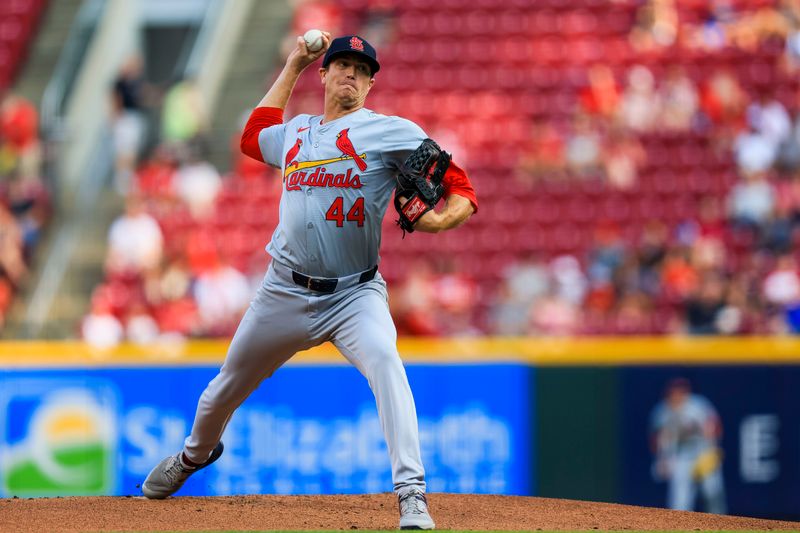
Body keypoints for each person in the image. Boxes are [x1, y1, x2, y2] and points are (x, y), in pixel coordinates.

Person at [141, 32, 478, 530]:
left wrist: (439, 221)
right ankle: (192, 457)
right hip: (283, 289)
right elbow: (252, 136)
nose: (352, 75)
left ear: (369, 84)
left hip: (354, 294)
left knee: (387, 363)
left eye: (363, 70)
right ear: (325, 74)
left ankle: (412, 494)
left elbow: (462, 189)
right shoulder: (296, 133)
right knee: (222, 391)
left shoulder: (389, 132)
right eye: (343, 64)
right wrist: (295, 62)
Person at [649, 378, 727, 514]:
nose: (676, 396)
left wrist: (712, 451)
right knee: (679, 501)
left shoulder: (697, 406)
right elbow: (659, 438)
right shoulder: (662, 412)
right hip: (681, 456)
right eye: (672, 393)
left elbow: (715, 427)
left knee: (712, 492)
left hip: (703, 452)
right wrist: (662, 459)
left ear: (686, 393)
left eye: (679, 393)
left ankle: (721, 525)